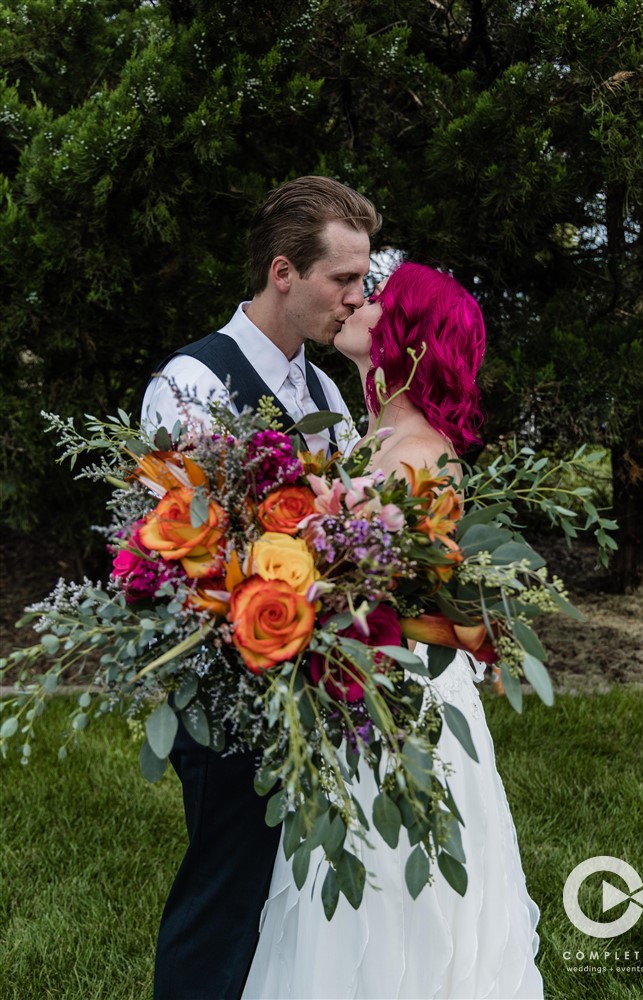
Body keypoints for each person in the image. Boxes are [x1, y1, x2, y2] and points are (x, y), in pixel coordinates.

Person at [243, 262, 544, 1000]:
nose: (357, 302)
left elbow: (379, 593)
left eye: (377, 299)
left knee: (393, 877)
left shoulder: (419, 455)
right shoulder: (371, 439)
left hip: (398, 702)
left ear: (407, 337)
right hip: (359, 692)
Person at [142, 176, 382, 1000]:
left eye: (363, 280)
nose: (357, 298)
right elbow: (187, 548)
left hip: (308, 685)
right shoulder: (191, 384)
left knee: (289, 906)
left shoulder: (321, 395)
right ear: (284, 273)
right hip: (224, 691)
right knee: (224, 898)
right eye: (342, 279)